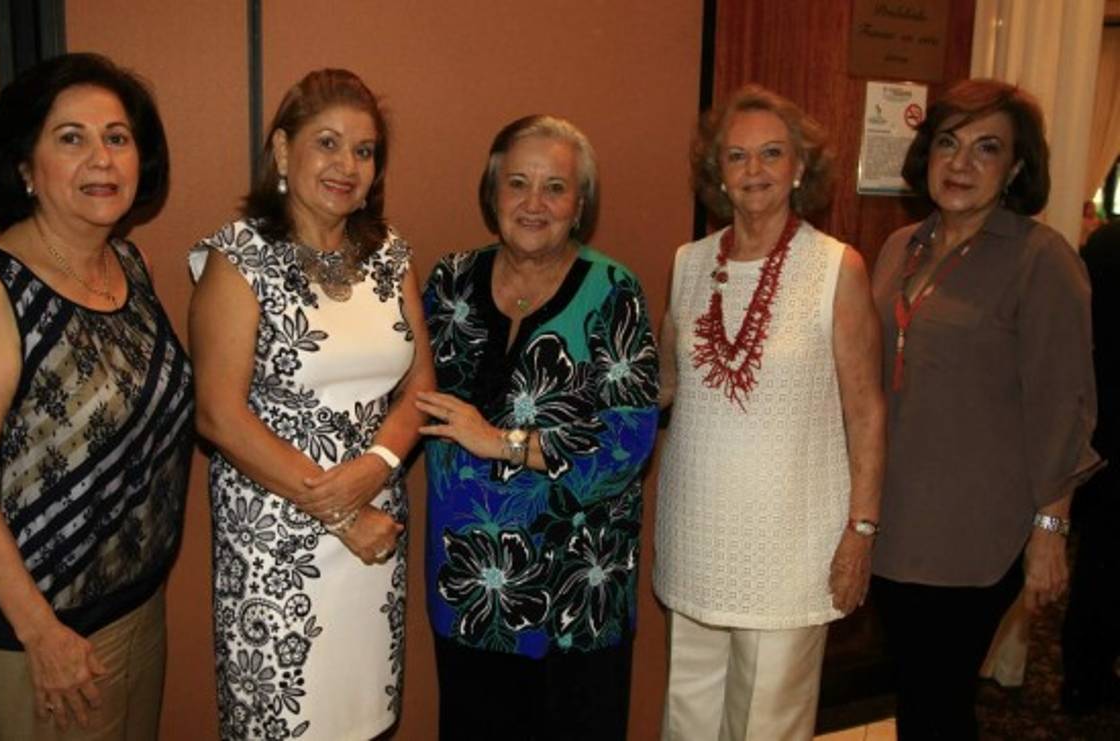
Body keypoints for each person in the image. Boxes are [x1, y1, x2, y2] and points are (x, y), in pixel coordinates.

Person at [0, 52, 193, 739]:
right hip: (37, 634)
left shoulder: (129, 264)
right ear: (24, 166)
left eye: (117, 137)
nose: (101, 158)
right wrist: (42, 633)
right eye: (71, 138)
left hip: (134, 608)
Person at [188, 68, 433, 740]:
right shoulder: (237, 259)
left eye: (364, 150)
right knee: (286, 722)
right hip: (278, 543)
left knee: (366, 719)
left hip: (374, 533)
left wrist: (378, 465)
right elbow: (216, 413)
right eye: (328, 143)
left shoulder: (389, 254)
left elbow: (420, 388)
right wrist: (342, 509)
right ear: (282, 149)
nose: (347, 165)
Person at [653, 84, 885, 740]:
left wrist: (860, 532)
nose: (754, 170)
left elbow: (866, 411)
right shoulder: (688, 264)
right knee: (687, 717)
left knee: (767, 725)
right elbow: (665, 385)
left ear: (799, 167)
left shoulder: (837, 267)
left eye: (771, 154)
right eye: (736, 156)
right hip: (696, 532)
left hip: (790, 545)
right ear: (716, 172)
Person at [870, 79, 1099, 739]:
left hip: (974, 534)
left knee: (938, 702)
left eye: (986, 148)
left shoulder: (1040, 258)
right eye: (948, 143)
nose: (961, 163)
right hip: (892, 522)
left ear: (1017, 167)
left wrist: (1050, 529)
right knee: (917, 694)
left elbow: (1066, 400)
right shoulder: (900, 246)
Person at [418, 115, 659, 740]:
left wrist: (501, 442)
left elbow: (628, 444)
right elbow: (402, 394)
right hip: (471, 588)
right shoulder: (448, 284)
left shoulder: (614, 291)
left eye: (554, 187)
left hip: (578, 597)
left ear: (580, 204)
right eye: (517, 183)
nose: (533, 203)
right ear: (492, 192)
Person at [1061, 215, 1120, 714]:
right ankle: (1086, 678)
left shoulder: (1105, 242)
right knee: (1102, 567)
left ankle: (1084, 677)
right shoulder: (1107, 245)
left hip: (1104, 430)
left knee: (1100, 567)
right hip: (1107, 432)